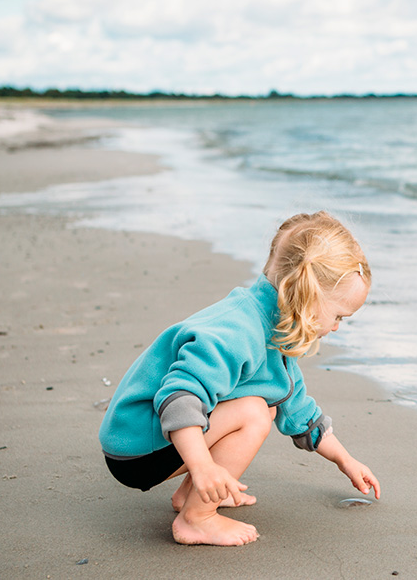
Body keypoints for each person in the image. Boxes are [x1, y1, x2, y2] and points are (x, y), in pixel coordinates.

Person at [99, 211, 381, 546]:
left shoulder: (273, 326)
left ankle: (192, 496)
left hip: (157, 439)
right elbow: (179, 399)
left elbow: (298, 410)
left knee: (269, 406)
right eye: (338, 316)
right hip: (136, 447)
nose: (336, 327)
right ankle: (196, 518)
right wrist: (203, 467)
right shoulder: (238, 332)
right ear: (307, 295)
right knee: (254, 413)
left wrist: (345, 460)